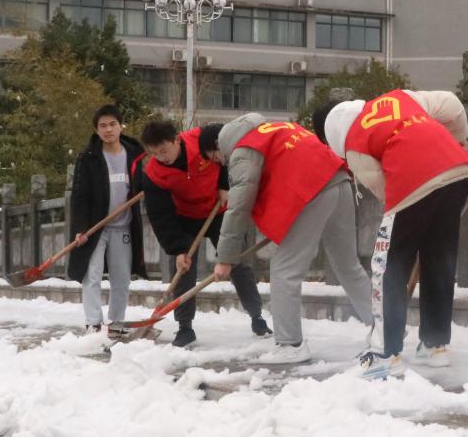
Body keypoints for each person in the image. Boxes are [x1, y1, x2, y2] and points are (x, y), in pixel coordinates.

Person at [314, 91, 468, 379]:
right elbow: (452, 105)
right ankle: (435, 344)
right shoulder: (401, 98)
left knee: (389, 267)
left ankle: (384, 353)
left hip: (415, 181)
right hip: (459, 171)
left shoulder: (354, 142)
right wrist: (460, 142)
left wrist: (402, 229)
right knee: (438, 260)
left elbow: (383, 189)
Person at [205, 116, 374, 364]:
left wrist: (225, 258)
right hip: (339, 181)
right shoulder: (274, 128)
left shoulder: (243, 149)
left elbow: (239, 205)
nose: (221, 164)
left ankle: (290, 344)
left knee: (284, 270)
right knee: (348, 265)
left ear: (220, 146)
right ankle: (385, 326)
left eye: (216, 158)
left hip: (312, 191)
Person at [136, 119, 270, 348]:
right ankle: (185, 327)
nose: (162, 157)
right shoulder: (154, 174)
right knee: (183, 269)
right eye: (155, 153)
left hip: (218, 211)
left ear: (176, 139)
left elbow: (229, 152)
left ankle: (257, 316)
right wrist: (177, 249)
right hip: (184, 219)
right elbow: (161, 216)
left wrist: (224, 184)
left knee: (236, 261)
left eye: (164, 150)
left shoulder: (201, 139)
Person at [67, 104, 147, 339]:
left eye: (113, 124)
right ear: (96, 129)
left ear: (121, 126)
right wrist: (81, 228)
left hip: (123, 226)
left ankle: (117, 321)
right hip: (95, 228)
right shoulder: (89, 158)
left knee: (121, 277)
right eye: (103, 125)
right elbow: (79, 196)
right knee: (91, 275)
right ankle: (93, 322)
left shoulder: (134, 154)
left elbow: (144, 183)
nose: (108, 129)